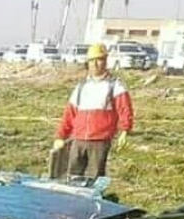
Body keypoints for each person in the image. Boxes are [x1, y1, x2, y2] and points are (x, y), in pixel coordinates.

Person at [54, 43, 133, 179]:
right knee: (72, 178)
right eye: (92, 60)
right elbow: (69, 114)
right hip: (78, 140)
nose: (95, 64)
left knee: (94, 178)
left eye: (99, 60)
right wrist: (60, 136)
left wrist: (125, 130)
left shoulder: (115, 85)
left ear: (105, 61)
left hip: (99, 142)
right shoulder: (81, 87)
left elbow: (124, 109)